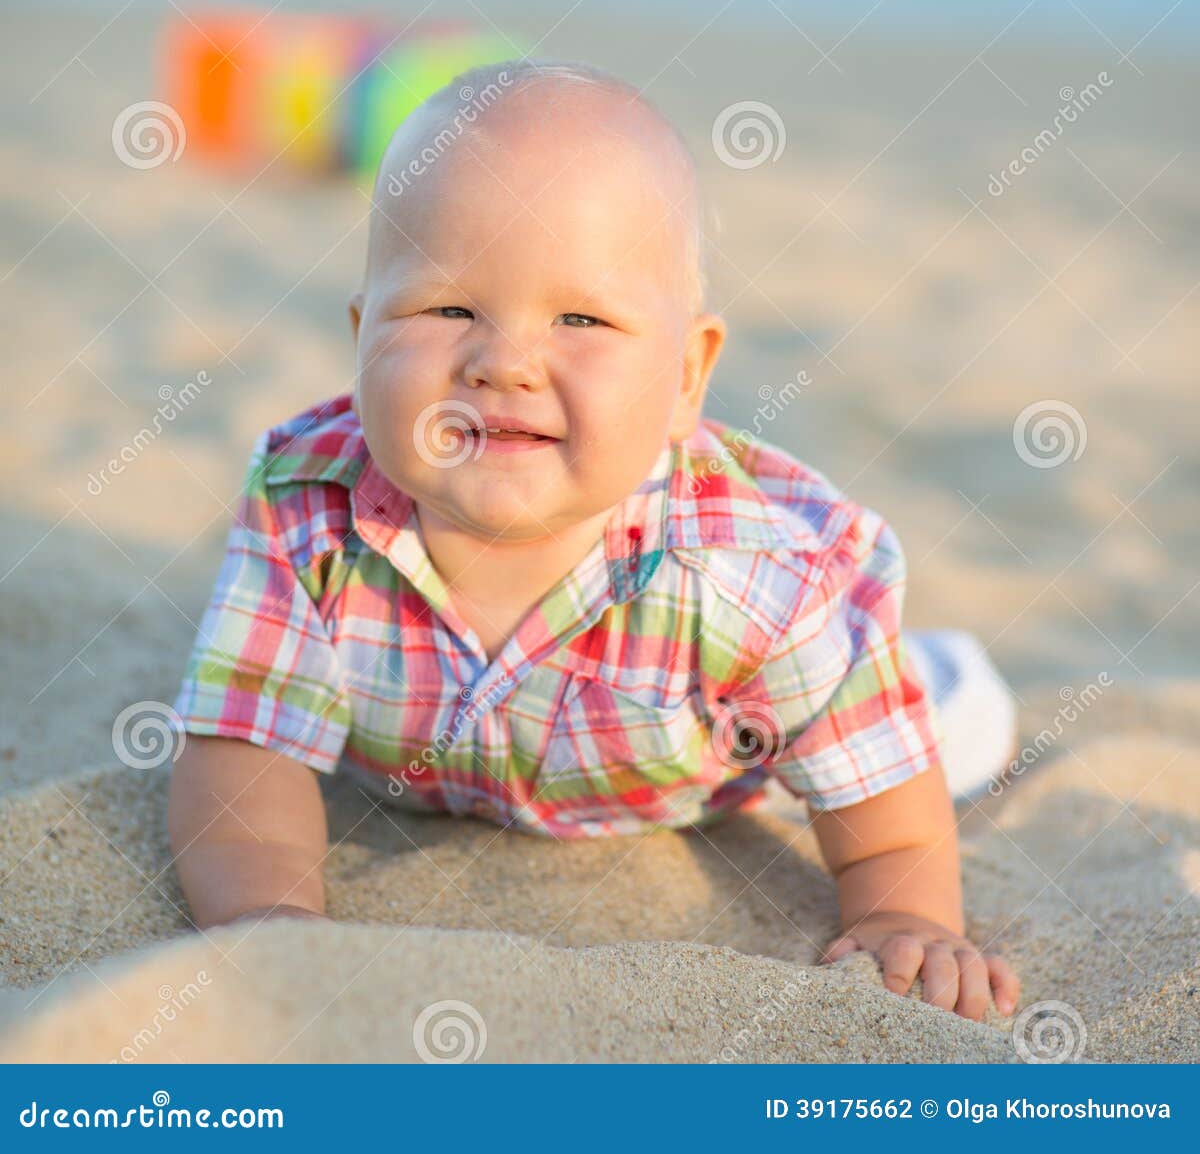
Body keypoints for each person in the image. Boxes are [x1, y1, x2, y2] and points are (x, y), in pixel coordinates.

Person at [168, 58, 1019, 1023]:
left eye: (580, 317)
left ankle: (945, 675)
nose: (505, 362)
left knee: (935, 736)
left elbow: (881, 805)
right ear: (363, 336)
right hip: (454, 771)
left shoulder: (757, 578)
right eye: (448, 308)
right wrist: (271, 922)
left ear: (687, 376)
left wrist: (906, 911)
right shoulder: (303, 509)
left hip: (726, 763)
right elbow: (244, 757)